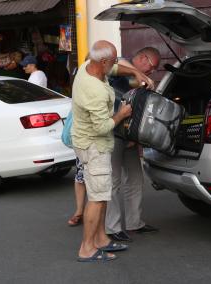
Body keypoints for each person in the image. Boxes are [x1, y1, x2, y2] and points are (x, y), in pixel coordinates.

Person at [72, 40, 153, 262]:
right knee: (97, 198)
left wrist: (138, 73)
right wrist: (122, 114)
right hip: (93, 145)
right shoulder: (94, 90)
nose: (116, 63)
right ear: (103, 61)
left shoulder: (90, 66)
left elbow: (116, 68)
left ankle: (101, 239)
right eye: (114, 59)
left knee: (102, 194)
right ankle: (86, 248)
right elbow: (101, 127)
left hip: (90, 143)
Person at [106, 47, 161, 242]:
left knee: (136, 178)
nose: (151, 71)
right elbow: (116, 64)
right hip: (110, 131)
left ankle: (134, 222)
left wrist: (135, 138)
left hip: (127, 136)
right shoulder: (120, 63)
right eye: (151, 66)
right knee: (112, 182)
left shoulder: (141, 80)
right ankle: (111, 228)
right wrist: (137, 73)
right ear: (142, 57)